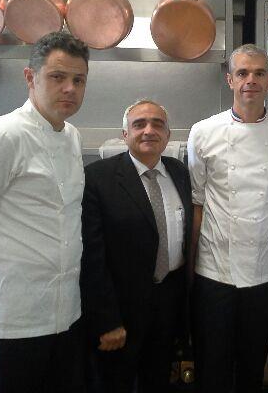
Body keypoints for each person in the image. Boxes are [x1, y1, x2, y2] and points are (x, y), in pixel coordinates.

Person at [0, 31, 89, 393]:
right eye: (58, 77)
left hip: (61, 317)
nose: (69, 88)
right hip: (6, 323)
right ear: (31, 77)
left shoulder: (70, 135)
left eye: (78, 79)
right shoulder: (2, 136)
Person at [187, 44, 268, 393]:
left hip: (264, 268)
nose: (251, 80)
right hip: (214, 269)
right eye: (243, 73)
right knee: (212, 363)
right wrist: (190, 267)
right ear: (230, 80)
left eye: (259, 73)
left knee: (252, 364)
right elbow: (197, 202)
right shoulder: (203, 131)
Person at [81, 99, 192, 392]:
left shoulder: (179, 173)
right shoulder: (98, 179)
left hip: (168, 305)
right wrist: (106, 321)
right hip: (120, 312)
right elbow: (92, 258)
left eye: (158, 124)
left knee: (157, 381)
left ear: (168, 135)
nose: (149, 131)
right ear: (124, 134)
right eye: (139, 124)